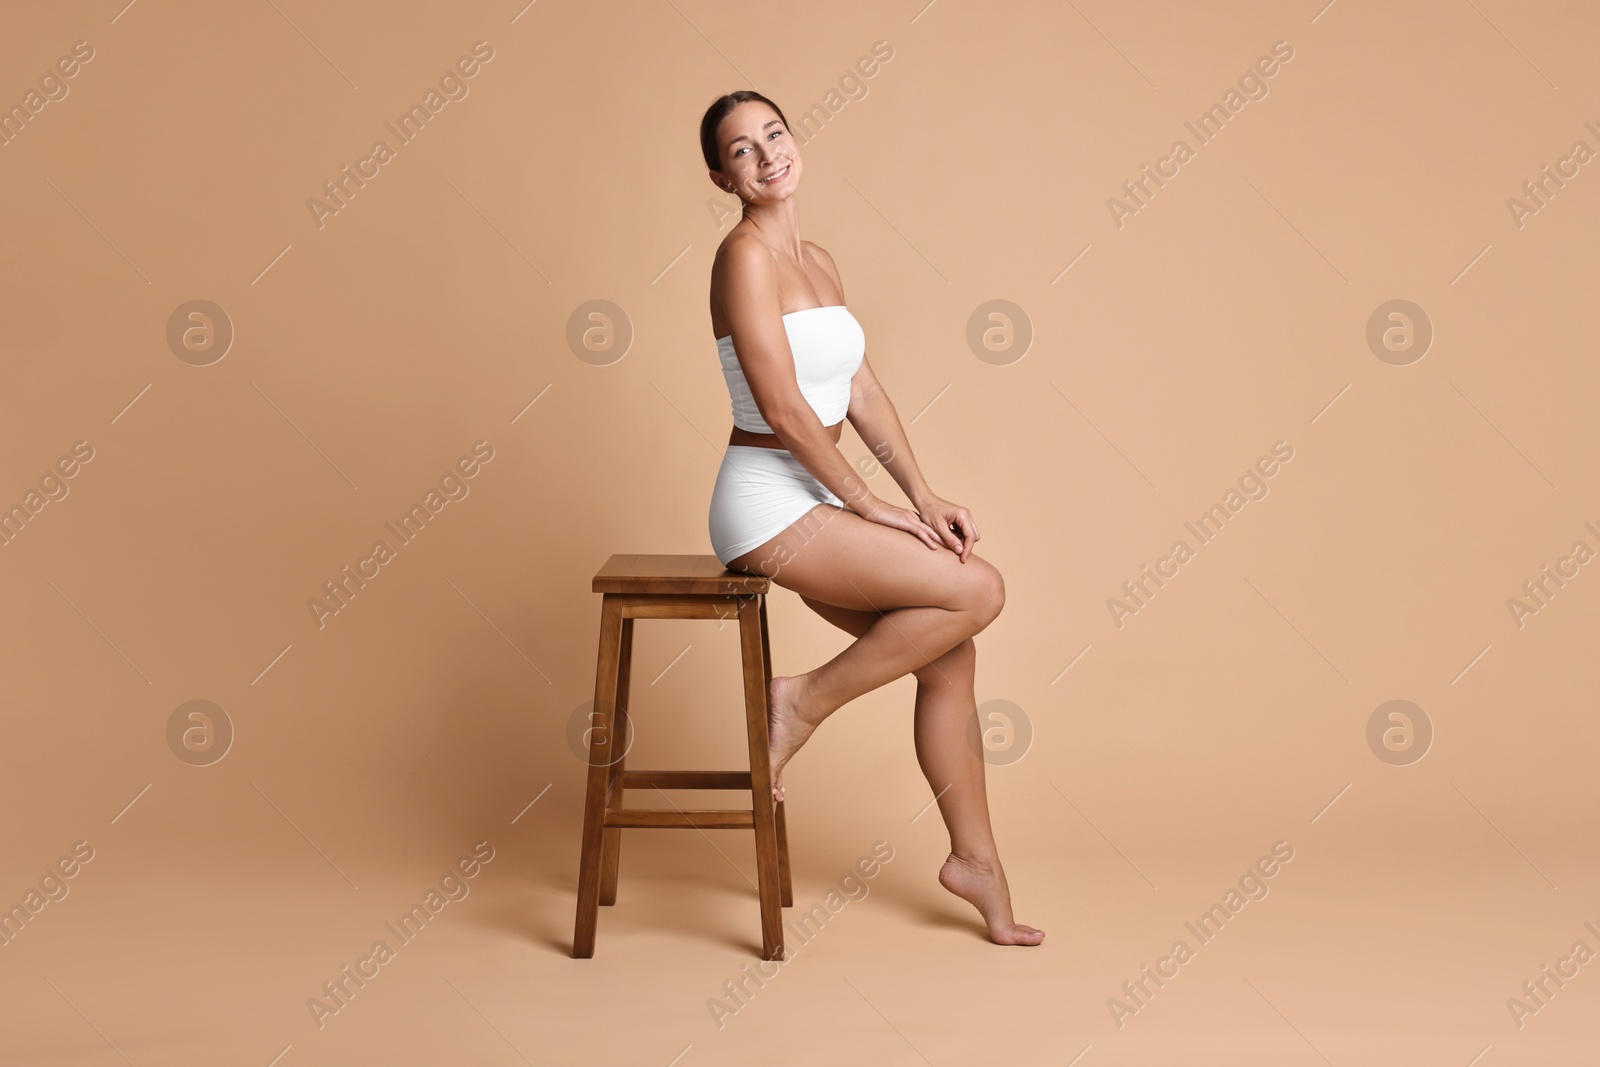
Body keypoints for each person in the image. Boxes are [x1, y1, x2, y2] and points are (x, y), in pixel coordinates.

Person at [699, 91, 1043, 947]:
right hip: (770, 505)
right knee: (977, 590)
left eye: (774, 134)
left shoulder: (817, 259)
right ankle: (801, 703)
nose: (767, 155)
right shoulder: (742, 258)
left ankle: (978, 865)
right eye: (742, 151)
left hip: (820, 496)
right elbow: (781, 408)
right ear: (723, 176)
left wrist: (921, 496)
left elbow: (859, 389)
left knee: (950, 653)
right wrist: (870, 507)